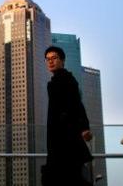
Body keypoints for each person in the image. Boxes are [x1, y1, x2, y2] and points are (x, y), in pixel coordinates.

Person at [42, 46, 93, 186]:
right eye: (48, 59)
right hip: (59, 137)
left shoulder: (67, 79)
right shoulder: (55, 81)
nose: (50, 61)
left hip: (65, 137)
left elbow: (76, 104)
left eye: (54, 58)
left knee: (66, 176)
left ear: (62, 61)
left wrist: (84, 127)